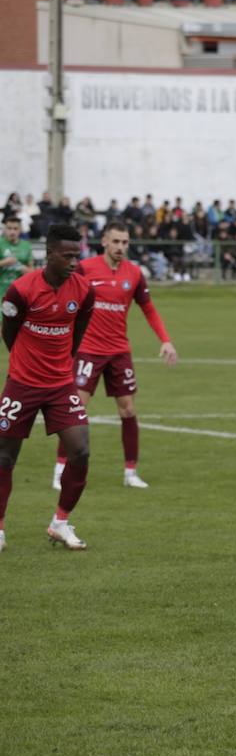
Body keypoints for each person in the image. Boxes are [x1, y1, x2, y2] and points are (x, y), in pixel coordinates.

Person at [50, 220, 177, 492]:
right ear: (104, 241)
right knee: (75, 409)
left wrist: (165, 340)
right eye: (116, 241)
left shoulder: (134, 273)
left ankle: (131, 472)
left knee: (128, 409)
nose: (121, 247)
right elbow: (64, 296)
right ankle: (60, 468)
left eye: (125, 242)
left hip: (119, 351)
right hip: (88, 351)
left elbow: (148, 308)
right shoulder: (84, 268)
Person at [0, 224, 96, 552]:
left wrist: (60, 365)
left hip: (59, 385)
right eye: (67, 255)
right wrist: (25, 364)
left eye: (77, 255)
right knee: (4, 457)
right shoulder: (20, 290)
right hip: (22, 384)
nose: (74, 261)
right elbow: (9, 333)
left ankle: (60, 522)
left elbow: (79, 331)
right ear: (49, 254)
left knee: (81, 450)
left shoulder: (84, 290)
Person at [0, 215, 35, 289]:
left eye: (15, 229)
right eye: (9, 228)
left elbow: (32, 271)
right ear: (4, 229)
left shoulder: (26, 245)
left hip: (20, 291)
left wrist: (26, 270)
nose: (12, 232)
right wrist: (4, 262)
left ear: (20, 230)